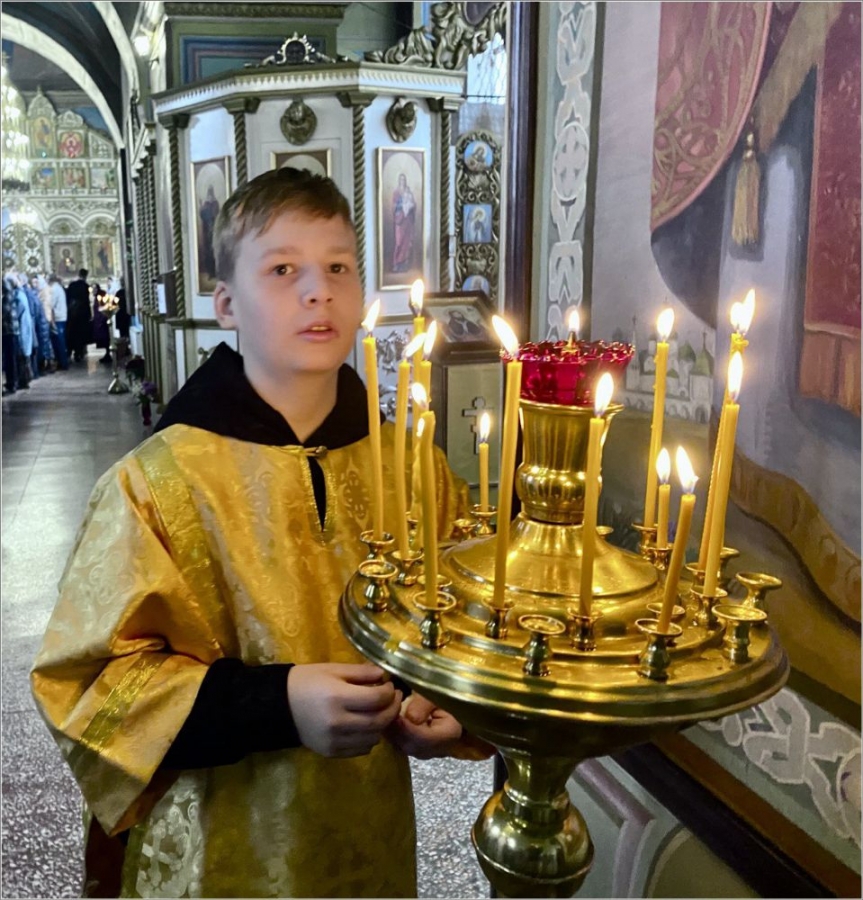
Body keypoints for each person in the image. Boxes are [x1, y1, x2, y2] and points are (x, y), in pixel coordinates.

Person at [31, 167, 487, 898]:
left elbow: (460, 621)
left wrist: (445, 705)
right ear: (226, 305)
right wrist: (278, 703)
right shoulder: (157, 481)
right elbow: (92, 685)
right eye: (282, 270)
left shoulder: (412, 467)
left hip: (368, 836)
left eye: (338, 267)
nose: (318, 291)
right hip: (216, 851)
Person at [391, 172, 416, 273]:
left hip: (407, 220)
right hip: (399, 220)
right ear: (399, 181)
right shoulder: (396, 192)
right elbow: (393, 207)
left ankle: (404, 263)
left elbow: (413, 204)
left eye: (404, 179)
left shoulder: (408, 191)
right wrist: (400, 206)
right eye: (401, 179)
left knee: (406, 242)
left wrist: (411, 206)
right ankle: (396, 263)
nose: (403, 181)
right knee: (399, 242)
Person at [65, 268, 91, 362]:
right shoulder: (85, 286)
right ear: (85, 276)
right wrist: (89, 315)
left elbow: (67, 299)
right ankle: (79, 353)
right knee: (81, 335)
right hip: (82, 315)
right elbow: (86, 302)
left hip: (71, 314)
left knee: (71, 334)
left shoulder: (72, 285)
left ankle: (69, 351)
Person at [198, 184, 220, 280]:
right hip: (207, 232)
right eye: (209, 191)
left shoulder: (215, 203)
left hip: (214, 231)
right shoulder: (206, 204)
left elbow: (218, 215)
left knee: (214, 252)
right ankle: (210, 272)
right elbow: (202, 214)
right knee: (207, 252)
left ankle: (215, 272)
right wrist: (201, 208)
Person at [48, 274, 69, 370]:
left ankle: (62, 362)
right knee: (60, 341)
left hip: (58, 318)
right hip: (62, 317)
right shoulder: (59, 288)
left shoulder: (54, 289)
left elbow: (51, 304)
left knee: (59, 342)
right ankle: (62, 362)